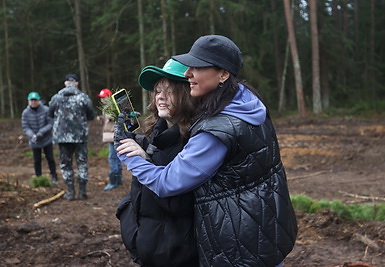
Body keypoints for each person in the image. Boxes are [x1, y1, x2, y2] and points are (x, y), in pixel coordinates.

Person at [116, 35, 298, 267]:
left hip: (238, 246)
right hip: (267, 230)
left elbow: (167, 183)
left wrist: (130, 156)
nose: (188, 73)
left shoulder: (214, 131)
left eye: (197, 67)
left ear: (223, 74)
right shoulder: (247, 103)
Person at [115, 59, 199, 266]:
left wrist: (147, 160)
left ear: (186, 94)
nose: (160, 97)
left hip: (176, 256)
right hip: (150, 250)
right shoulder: (156, 133)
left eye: (169, 91)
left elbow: (180, 204)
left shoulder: (195, 142)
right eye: (158, 91)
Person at [48, 74, 96, 200]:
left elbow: (50, 113)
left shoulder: (56, 97)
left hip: (62, 137)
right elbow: (91, 115)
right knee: (82, 162)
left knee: (65, 164)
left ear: (65, 84)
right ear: (77, 84)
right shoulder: (83, 98)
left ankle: (70, 192)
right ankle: (82, 192)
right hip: (80, 136)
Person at [21, 91, 58, 183]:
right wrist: (32, 135)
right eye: (31, 100)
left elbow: (50, 124)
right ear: (28, 101)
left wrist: (40, 133)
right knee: (37, 160)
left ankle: (54, 175)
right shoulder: (25, 113)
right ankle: (38, 177)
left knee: (50, 158)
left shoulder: (46, 110)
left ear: (39, 100)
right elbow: (25, 127)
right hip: (34, 141)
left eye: (35, 100)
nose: (33, 102)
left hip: (46, 139)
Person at [97, 88, 123, 190]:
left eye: (104, 97)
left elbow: (112, 117)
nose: (102, 99)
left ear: (109, 97)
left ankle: (113, 182)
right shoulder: (109, 106)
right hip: (114, 135)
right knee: (117, 157)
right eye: (101, 98)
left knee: (112, 158)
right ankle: (119, 180)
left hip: (113, 135)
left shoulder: (111, 106)